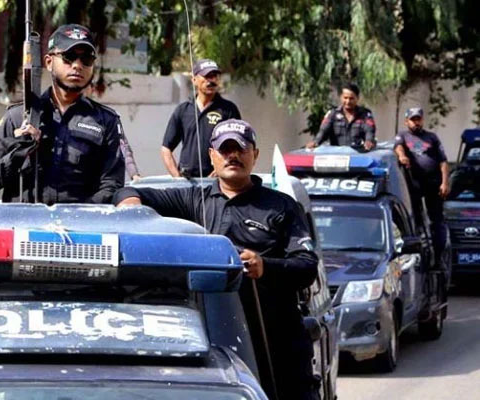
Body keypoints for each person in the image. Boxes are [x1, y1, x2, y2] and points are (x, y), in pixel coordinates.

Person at [116, 119, 320, 400]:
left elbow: (307, 266)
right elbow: (128, 191)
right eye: (225, 149)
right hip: (215, 338)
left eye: (240, 148)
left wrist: (264, 266)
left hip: (276, 341)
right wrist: (130, 203)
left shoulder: (283, 206)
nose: (232, 155)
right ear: (212, 156)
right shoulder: (195, 201)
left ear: (255, 155)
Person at [0, 24, 125, 204]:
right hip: (24, 227)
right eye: (69, 57)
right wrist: (17, 154)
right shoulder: (19, 116)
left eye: (86, 59)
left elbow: (112, 186)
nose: (77, 65)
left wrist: (77, 215)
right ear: (48, 62)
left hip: (75, 229)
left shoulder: (105, 121)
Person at [161, 59, 241, 178]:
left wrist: (220, 170)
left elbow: (237, 146)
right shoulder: (183, 110)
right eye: (207, 76)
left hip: (217, 182)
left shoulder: (228, 110)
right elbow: (166, 149)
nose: (211, 80)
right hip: (187, 181)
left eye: (214, 76)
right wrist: (177, 178)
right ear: (194, 80)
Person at [394, 107, 449, 261]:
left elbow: (443, 162)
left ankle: (439, 257)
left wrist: (445, 183)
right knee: (416, 221)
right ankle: (420, 255)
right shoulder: (403, 136)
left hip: (434, 183)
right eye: (413, 119)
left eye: (418, 119)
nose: (416, 122)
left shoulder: (432, 137)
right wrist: (402, 156)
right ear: (407, 121)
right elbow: (398, 147)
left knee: (436, 221)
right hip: (415, 185)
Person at [307, 83, 376, 150]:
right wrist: (315, 142)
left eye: (351, 98)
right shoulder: (332, 114)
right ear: (341, 97)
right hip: (337, 156)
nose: (348, 101)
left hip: (358, 155)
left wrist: (369, 141)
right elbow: (323, 131)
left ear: (357, 98)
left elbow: (370, 131)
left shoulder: (365, 114)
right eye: (345, 98)